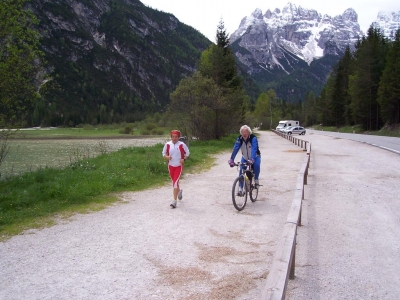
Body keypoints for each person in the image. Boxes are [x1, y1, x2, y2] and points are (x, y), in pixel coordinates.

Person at [228, 125, 261, 193]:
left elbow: (254, 149)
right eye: (242, 132)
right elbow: (235, 148)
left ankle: (256, 180)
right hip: (245, 158)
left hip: (255, 157)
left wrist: (252, 159)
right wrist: (231, 159)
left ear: (249, 132)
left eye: (246, 132)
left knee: (256, 166)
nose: (244, 134)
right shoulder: (240, 139)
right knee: (241, 170)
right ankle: (240, 188)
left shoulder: (253, 138)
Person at [162, 130, 190, 208]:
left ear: (178, 137)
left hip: (179, 166)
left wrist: (184, 159)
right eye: (173, 137)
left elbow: (187, 153)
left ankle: (174, 201)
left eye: (176, 137)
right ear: (171, 137)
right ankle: (179, 192)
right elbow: (163, 153)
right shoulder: (167, 144)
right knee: (175, 182)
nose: (174, 138)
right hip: (170, 166)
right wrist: (167, 157)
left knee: (175, 182)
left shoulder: (181, 144)